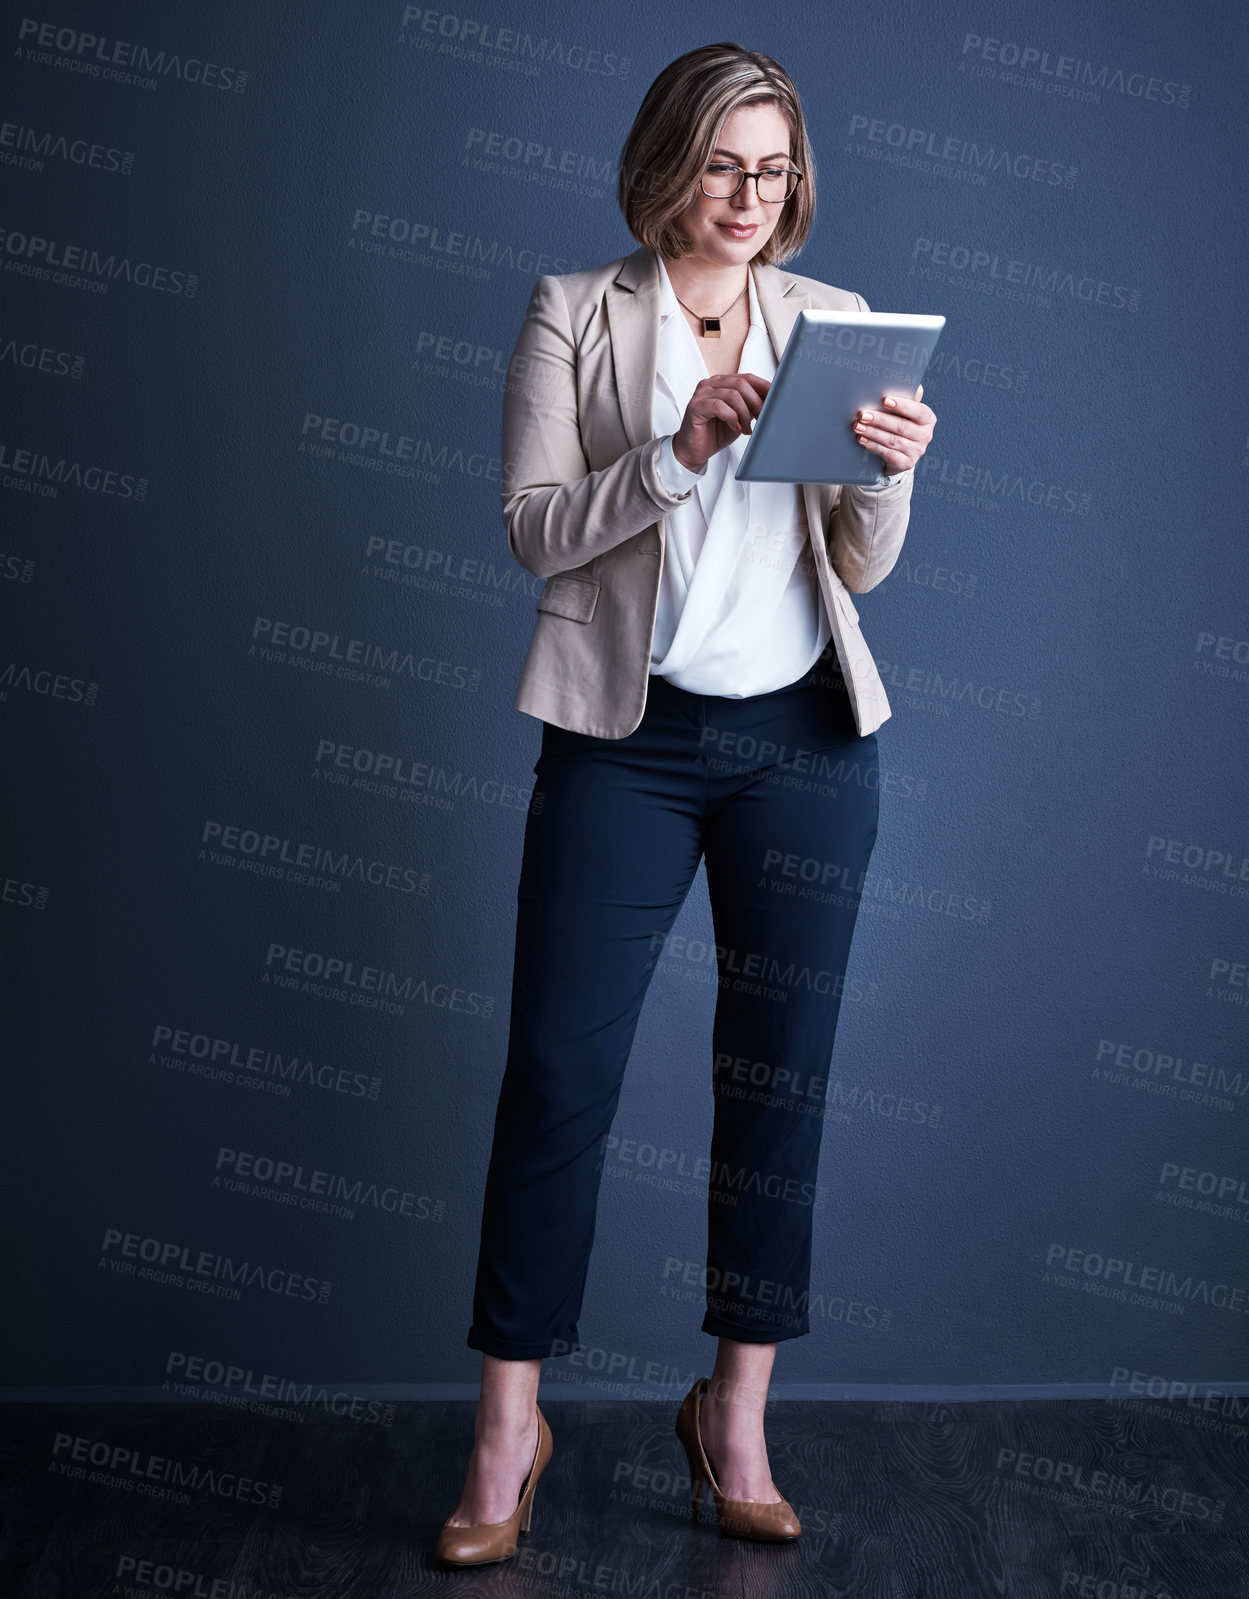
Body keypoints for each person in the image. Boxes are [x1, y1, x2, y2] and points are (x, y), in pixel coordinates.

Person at [436, 41, 937, 1566]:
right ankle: (506, 1433)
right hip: (625, 745)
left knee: (775, 1084)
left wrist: (893, 473)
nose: (746, 196)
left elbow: (856, 566)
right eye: (723, 162)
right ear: (670, 160)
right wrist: (679, 448)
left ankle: (732, 1415)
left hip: (803, 749)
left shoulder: (832, 321)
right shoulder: (574, 312)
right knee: (555, 1079)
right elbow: (533, 533)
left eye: (772, 169)